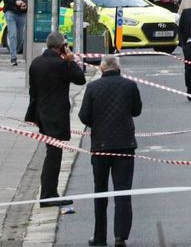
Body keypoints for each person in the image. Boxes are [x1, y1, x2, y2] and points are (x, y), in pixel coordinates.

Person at [78, 56, 141, 247]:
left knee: (100, 192)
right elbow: (137, 110)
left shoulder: (93, 87)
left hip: (101, 146)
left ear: (102, 69)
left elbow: (83, 115)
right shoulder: (130, 85)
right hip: (125, 146)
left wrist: (97, 124)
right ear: (118, 68)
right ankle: (120, 236)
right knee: (122, 190)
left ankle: (99, 237)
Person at [28, 32, 86, 207]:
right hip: (56, 115)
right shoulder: (61, 64)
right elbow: (80, 79)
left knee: (52, 153)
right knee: (54, 155)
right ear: (62, 46)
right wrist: (70, 60)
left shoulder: (36, 63)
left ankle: (49, 192)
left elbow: (33, 91)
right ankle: (48, 194)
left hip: (41, 113)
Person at [0, 0, 28, 66]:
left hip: (21, 12)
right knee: (12, 35)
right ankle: (13, 57)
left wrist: (25, 4)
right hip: (10, 11)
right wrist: (15, 2)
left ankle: (15, 51)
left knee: (20, 37)